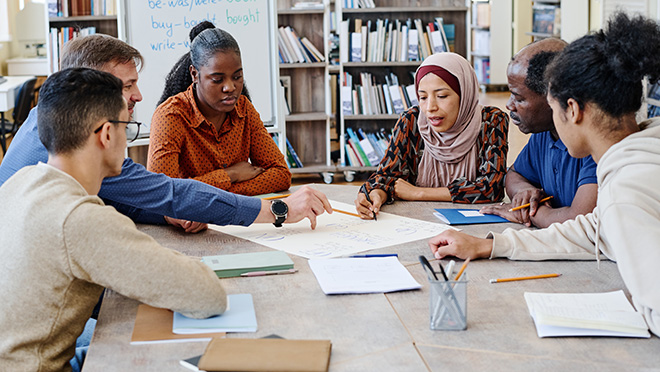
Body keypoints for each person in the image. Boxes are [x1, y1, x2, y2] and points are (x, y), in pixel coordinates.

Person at [429, 12, 660, 337]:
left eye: (553, 109)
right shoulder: (642, 150)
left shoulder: (626, 191)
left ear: (574, 111)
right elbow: (590, 232)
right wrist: (490, 246)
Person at [0, 68, 228, 371]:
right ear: (107, 134)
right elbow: (207, 295)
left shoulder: (22, 181)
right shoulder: (79, 218)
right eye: (127, 126)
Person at [0, 34, 331, 232]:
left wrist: (170, 215)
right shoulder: (80, 142)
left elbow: (126, 199)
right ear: (91, 88)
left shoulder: (43, 119)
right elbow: (168, 191)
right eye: (128, 86)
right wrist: (278, 211)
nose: (139, 96)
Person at [355, 52, 509, 219]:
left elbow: (491, 188)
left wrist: (419, 193)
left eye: (441, 96)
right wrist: (376, 194)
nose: (430, 107)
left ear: (464, 94)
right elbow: (387, 177)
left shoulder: (491, 121)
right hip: (416, 224)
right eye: (422, 97)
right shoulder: (412, 121)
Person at [147, 24, 291, 196]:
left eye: (237, 77)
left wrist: (222, 195)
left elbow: (281, 174)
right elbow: (162, 192)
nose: (230, 87)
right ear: (194, 74)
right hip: (190, 221)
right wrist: (231, 175)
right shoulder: (170, 116)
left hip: (237, 218)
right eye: (217, 79)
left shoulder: (244, 108)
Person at [479, 38, 598, 228]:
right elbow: (515, 173)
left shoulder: (595, 144)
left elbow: (580, 221)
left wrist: (530, 213)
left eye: (518, 98)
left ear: (553, 98)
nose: (509, 105)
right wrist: (524, 192)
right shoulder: (544, 133)